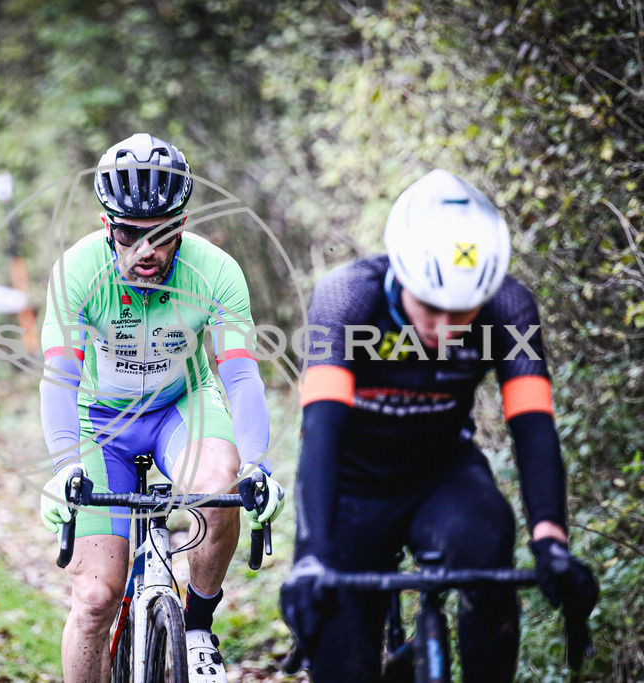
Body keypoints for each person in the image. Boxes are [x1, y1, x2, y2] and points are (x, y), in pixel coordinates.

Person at [280, 169, 599, 682]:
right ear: (402, 275)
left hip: (441, 475)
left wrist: (551, 540)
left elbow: (534, 426)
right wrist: (313, 555)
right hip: (351, 484)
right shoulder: (346, 301)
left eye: (462, 312)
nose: (446, 329)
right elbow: (321, 430)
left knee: (489, 540)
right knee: (342, 654)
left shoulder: (507, 308)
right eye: (432, 309)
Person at [38, 133, 286, 683]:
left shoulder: (214, 271)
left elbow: (240, 373)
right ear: (108, 226)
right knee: (96, 599)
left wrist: (257, 463)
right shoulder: (78, 273)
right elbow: (60, 376)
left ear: (184, 222)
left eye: (163, 233)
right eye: (130, 234)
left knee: (221, 483)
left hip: (183, 407)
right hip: (99, 423)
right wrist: (64, 468)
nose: (146, 250)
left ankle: (197, 628)